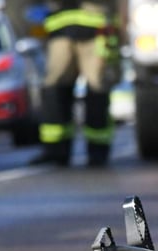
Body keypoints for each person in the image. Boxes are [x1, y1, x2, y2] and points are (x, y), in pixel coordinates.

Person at [29, 0, 119, 167]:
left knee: (96, 88)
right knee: (54, 89)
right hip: (60, 30)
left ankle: (97, 150)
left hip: (96, 30)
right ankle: (56, 149)